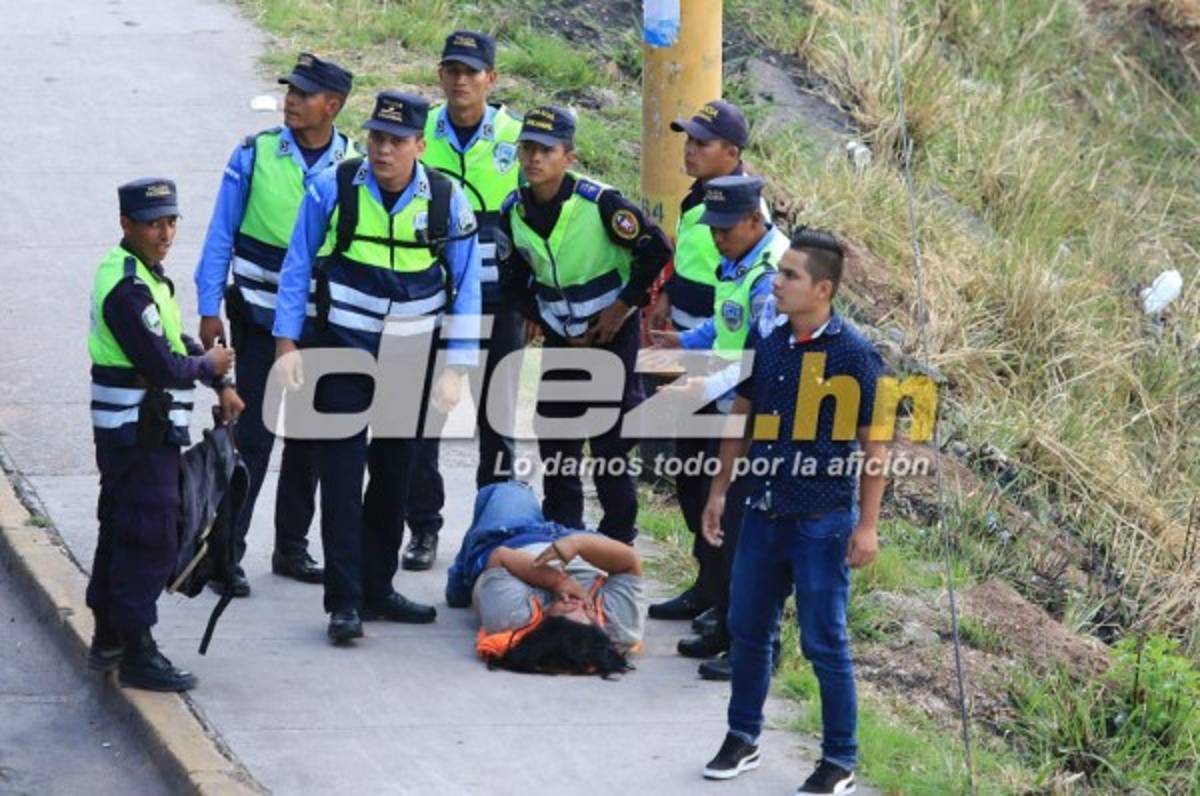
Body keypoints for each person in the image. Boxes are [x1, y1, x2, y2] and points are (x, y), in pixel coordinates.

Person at [272, 91, 481, 644]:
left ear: (419, 144)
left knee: (394, 479)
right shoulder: (334, 188)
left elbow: (467, 290)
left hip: (411, 362)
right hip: (341, 353)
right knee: (340, 481)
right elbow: (297, 266)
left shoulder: (446, 201)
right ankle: (344, 603)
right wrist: (286, 343)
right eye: (376, 139)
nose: (383, 151)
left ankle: (378, 589)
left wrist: (456, 367)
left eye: (396, 141)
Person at [699, 231, 886, 795]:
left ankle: (839, 760)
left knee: (823, 641)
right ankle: (742, 737)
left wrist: (868, 525)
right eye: (778, 272)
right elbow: (743, 414)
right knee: (748, 630)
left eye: (790, 276)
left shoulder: (855, 354)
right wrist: (718, 491)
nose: (777, 283)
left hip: (821, 522)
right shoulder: (770, 336)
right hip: (761, 509)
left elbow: (876, 447)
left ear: (823, 289)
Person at [194, 52, 358, 593]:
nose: (291, 99)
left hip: (321, 325)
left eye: (304, 93)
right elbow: (221, 232)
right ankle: (225, 553)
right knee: (253, 437)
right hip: (259, 318)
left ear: (331, 107)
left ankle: (291, 548)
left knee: (310, 441)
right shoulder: (256, 153)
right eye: (290, 89)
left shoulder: (353, 166)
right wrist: (208, 304)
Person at [86, 178, 244, 691]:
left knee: (122, 528)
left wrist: (220, 381)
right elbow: (165, 363)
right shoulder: (126, 287)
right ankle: (137, 650)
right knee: (148, 536)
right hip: (136, 436)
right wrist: (209, 364)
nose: (165, 232)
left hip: (146, 433)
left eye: (172, 221)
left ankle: (110, 634)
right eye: (153, 223)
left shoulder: (148, 277)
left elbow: (172, 336)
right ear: (126, 224)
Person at [496, 105, 672, 544]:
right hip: (561, 337)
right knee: (556, 434)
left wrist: (621, 309)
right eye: (527, 148)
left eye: (546, 150)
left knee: (609, 440)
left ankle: (617, 536)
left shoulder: (601, 204)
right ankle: (563, 530)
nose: (534, 158)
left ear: (568, 156)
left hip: (611, 335)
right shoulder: (513, 211)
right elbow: (513, 278)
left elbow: (656, 249)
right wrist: (536, 317)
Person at [648, 174, 789, 680]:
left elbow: (762, 359)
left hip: (758, 418)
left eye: (725, 229)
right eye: (712, 228)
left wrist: (702, 385)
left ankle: (753, 647)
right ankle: (722, 616)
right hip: (729, 404)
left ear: (756, 220)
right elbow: (727, 324)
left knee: (743, 535)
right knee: (712, 513)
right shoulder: (739, 258)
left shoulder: (772, 276)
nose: (716, 238)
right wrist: (685, 342)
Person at [401, 30, 524, 571]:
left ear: (491, 79)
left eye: (471, 71)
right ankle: (423, 530)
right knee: (423, 421)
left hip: (501, 304)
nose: (460, 80)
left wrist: (533, 304)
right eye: (451, 69)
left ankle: (489, 534)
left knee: (495, 421)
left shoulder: (518, 138)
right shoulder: (419, 131)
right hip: (434, 299)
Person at [643, 100, 756, 627]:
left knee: (716, 481)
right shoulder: (699, 197)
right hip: (689, 347)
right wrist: (665, 288)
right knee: (688, 475)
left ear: (732, 154)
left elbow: (737, 300)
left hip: (721, 365)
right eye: (688, 139)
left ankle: (726, 598)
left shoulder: (745, 215)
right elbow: (688, 255)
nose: (689, 149)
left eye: (701, 143)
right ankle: (706, 585)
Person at [446, 482, 644, 675]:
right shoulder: (618, 629)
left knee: (507, 490)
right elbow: (630, 562)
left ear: (544, 627)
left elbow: (501, 556)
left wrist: (558, 582)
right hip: (581, 543)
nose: (579, 604)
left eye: (567, 608)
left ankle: (460, 573)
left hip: (514, 537)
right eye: (588, 612)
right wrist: (577, 544)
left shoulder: (511, 619)